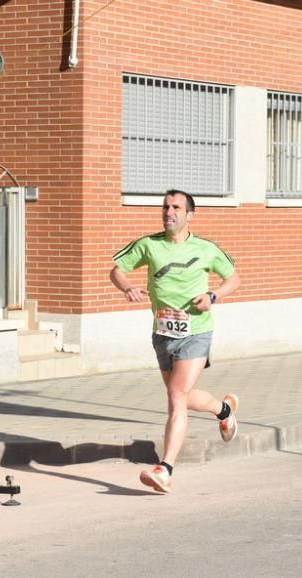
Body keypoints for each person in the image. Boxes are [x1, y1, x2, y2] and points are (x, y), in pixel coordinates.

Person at [110, 189, 241, 493]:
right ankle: (224, 410)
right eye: (166, 207)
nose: (169, 212)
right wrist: (127, 286)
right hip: (163, 333)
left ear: (189, 215)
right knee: (180, 394)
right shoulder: (148, 245)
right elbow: (116, 271)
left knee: (176, 396)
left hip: (197, 330)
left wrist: (213, 295)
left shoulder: (206, 248)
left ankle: (164, 469)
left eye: (176, 207)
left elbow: (234, 278)